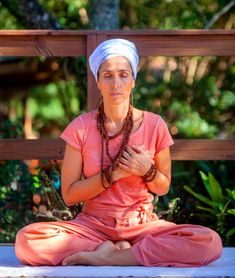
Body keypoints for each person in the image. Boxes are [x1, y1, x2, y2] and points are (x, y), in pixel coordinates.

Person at [15, 38, 222, 267]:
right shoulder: (81, 127)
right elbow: (70, 194)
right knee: (27, 241)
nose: (116, 83)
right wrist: (114, 174)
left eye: (123, 74)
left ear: (133, 80)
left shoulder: (155, 125)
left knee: (209, 242)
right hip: (92, 227)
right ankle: (116, 252)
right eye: (108, 75)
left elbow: (162, 186)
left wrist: (147, 170)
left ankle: (112, 256)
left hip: (143, 226)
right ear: (98, 82)